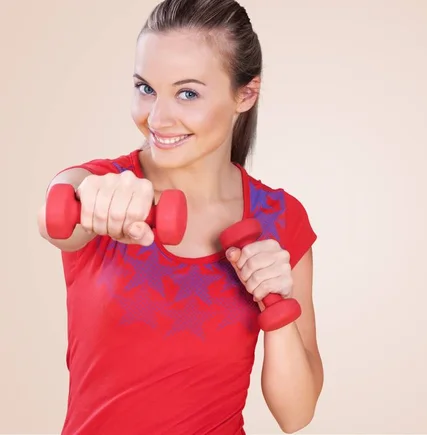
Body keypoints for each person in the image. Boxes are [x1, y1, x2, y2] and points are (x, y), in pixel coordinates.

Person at [36, 0, 323, 434]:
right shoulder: (99, 186)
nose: (157, 118)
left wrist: (276, 303)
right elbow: (56, 217)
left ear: (245, 94)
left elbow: (296, 414)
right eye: (145, 87)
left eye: (187, 93)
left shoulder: (281, 218)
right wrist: (95, 199)